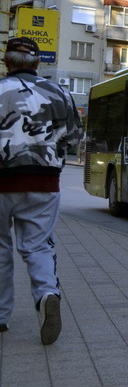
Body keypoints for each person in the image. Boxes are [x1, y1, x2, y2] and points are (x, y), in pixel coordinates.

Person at [0, 37, 83, 345]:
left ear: (7, 62)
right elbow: (74, 136)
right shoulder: (59, 92)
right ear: (37, 63)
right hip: (44, 181)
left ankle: (0, 316)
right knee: (38, 247)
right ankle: (47, 294)